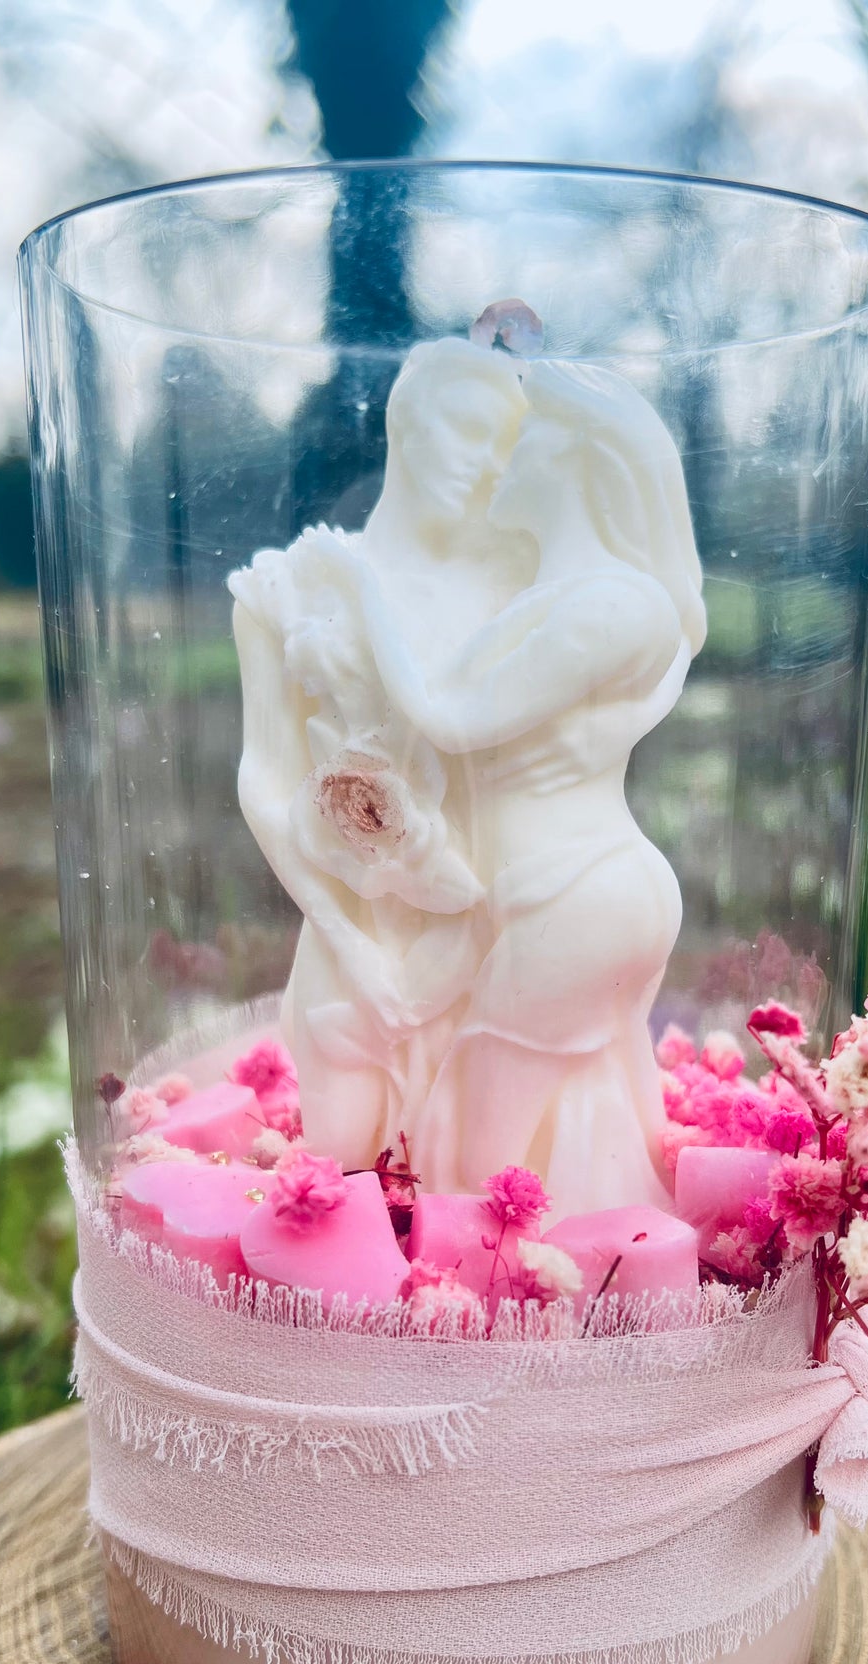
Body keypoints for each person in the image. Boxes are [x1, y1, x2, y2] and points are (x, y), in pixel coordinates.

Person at [356, 359, 706, 1214]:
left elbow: (451, 716)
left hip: (575, 897)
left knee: (477, 1152)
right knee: (592, 1111)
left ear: (574, 458)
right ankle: (607, 1285)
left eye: (522, 436)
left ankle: (494, 1326)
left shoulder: (614, 607)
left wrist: (355, 584)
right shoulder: (564, 599)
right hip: (564, 894)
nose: (498, 458)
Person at [231, 339, 530, 1168]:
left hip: (479, 921)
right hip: (352, 919)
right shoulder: (290, 586)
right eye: (469, 432)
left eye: (503, 449)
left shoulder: (521, 591)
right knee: (340, 1158)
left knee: (478, 1177)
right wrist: (343, 934)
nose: (482, 466)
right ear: (408, 422)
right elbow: (266, 773)